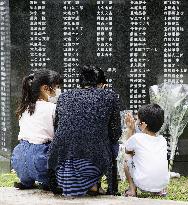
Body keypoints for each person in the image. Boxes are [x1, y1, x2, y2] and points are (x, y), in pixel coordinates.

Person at [47, 65, 122, 196]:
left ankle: (87, 184)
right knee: (113, 144)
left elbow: (57, 128)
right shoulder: (110, 96)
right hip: (93, 164)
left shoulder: (64, 97)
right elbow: (115, 134)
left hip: (60, 166)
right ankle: (109, 187)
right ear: (101, 84)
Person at [11, 69, 63, 190]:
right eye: (57, 87)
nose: (59, 90)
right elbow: (58, 136)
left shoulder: (23, 108)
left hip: (19, 159)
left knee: (27, 157)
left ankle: (26, 181)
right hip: (40, 159)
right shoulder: (53, 108)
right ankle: (49, 182)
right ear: (45, 88)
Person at [123, 104, 169, 197]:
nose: (136, 122)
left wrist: (130, 129)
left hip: (142, 184)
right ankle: (159, 190)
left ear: (143, 125)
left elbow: (127, 150)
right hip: (162, 185)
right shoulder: (162, 140)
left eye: (138, 120)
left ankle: (132, 189)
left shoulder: (137, 138)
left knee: (126, 157)